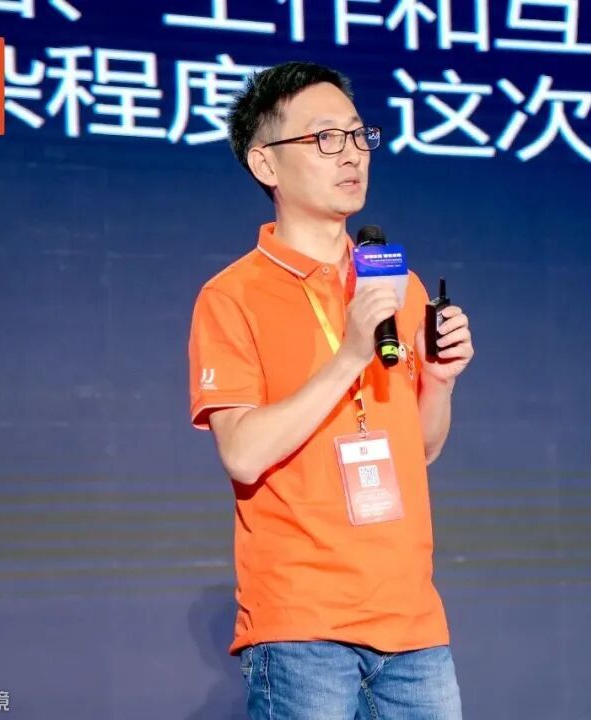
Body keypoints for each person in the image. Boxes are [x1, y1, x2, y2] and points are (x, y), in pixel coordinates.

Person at [187, 61, 475, 719]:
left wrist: (440, 382)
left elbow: (419, 450)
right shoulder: (232, 297)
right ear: (265, 163)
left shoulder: (395, 284)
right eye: (325, 138)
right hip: (303, 628)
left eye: (358, 135)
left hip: (413, 626)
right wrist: (349, 356)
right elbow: (242, 453)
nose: (351, 154)